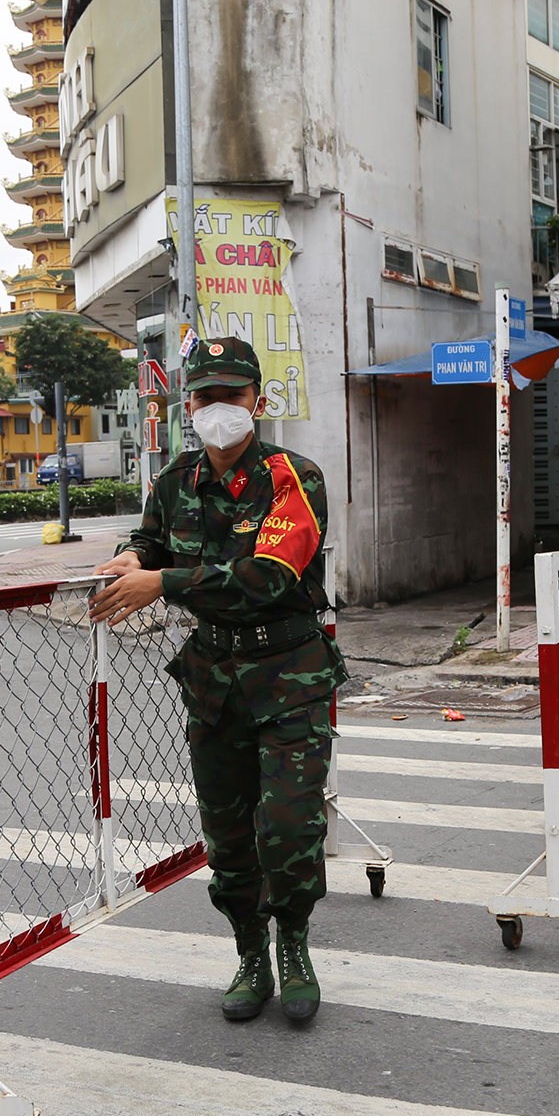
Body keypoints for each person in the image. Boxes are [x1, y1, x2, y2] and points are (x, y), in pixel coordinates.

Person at [89, 337, 344, 1025]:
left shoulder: (295, 477)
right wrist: (130, 556)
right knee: (228, 840)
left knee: (289, 829)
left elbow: (270, 576)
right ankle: (249, 954)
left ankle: (293, 944)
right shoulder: (174, 482)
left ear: (258, 402)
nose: (216, 409)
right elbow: (151, 539)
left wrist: (161, 581)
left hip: (290, 675)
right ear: (187, 405)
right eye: (203, 396)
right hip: (213, 681)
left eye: (231, 396)